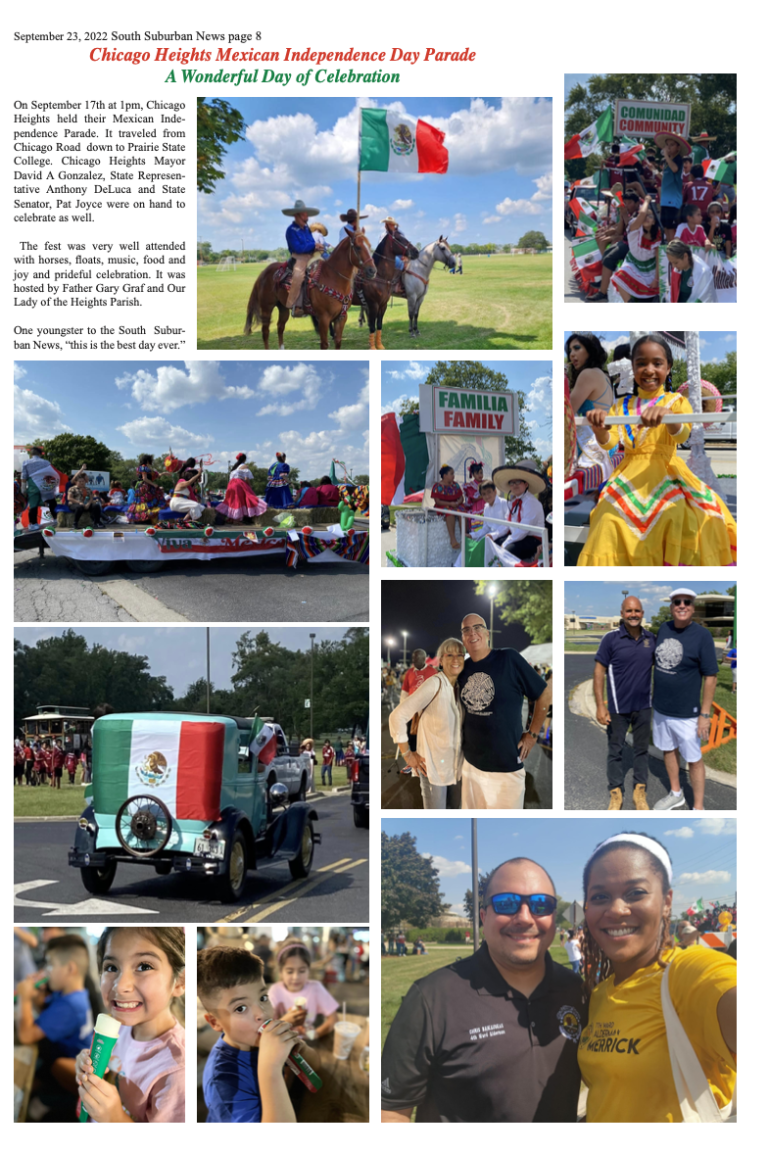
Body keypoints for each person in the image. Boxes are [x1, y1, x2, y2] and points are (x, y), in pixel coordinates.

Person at [381, 857, 586, 1123]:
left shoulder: (577, 992)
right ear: (483, 915)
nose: (524, 918)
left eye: (540, 905)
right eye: (506, 903)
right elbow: (391, 1112)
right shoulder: (431, 998)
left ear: (553, 915)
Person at [578, 832, 736, 1123]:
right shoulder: (599, 993)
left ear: (666, 901)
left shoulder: (688, 973)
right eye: (600, 896)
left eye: (635, 893)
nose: (616, 909)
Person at [578, 334, 736, 565]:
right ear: (633, 367)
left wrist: (668, 416)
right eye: (641, 363)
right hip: (628, 475)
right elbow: (610, 443)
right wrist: (599, 427)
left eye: (657, 363)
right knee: (607, 518)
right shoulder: (621, 405)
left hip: (668, 472)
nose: (649, 369)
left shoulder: (675, 401)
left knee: (678, 515)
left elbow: (682, 434)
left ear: (668, 367)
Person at [75, 927, 185, 1123]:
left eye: (143, 966)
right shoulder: (118, 1028)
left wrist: (115, 1119)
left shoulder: (177, 1071)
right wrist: (87, 1069)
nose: (120, 985)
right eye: (111, 967)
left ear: (179, 983)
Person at [199, 946, 305, 1123]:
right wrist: (270, 1068)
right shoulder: (223, 1081)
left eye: (263, 998)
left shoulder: (257, 1041)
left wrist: (300, 1053)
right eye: (240, 1008)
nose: (261, 1013)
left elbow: (315, 1072)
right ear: (215, 1022)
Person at [457, 613, 551, 809]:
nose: (472, 633)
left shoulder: (508, 658)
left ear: (487, 633)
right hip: (471, 766)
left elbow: (543, 694)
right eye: (466, 630)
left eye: (477, 627)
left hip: (505, 769)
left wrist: (533, 733)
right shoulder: (462, 669)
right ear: (463, 638)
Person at [652, 589, 719, 812]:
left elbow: (711, 677)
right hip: (661, 709)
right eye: (677, 602)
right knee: (668, 750)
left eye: (687, 602)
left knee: (694, 759)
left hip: (688, 713)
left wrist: (705, 715)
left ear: (692, 607)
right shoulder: (664, 628)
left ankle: (698, 806)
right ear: (671, 607)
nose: (682, 605)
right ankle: (676, 793)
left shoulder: (702, 636)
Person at [593, 596, 655, 811]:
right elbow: (599, 671)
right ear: (622, 613)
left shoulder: (651, 639)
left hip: (644, 707)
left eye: (637, 611)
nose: (633, 614)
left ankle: (640, 792)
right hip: (618, 709)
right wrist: (600, 705)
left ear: (642, 613)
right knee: (615, 751)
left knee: (641, 751)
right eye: (629, 611)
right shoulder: (611, 639)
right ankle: (616, 792)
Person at [389, 638, 465, 810]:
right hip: (433, 768)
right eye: (450, 655)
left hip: (456, 769)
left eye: (460, 655)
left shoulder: (461, 687)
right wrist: (407, 754)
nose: (455, 659)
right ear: (441, 659)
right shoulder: (434, 683)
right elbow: (397, 716)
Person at [268, 939, 339, 1040]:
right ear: (280, 971)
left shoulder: (315, 988)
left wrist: (315, 1034)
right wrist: (285, 1022)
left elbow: (334, 1019)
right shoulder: (275, 991)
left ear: (309, 970)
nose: (296, 977)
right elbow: (265, 1029)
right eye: (290, 971)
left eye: (302, 971)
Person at [565, 333, 614, 476]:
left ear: (590, 350)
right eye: (569, 351)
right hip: (606, 442)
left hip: (593, 444)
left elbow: (567, 413)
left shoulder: (587, 374)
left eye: (577, 348)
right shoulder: (604, 375)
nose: (571, 355)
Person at [490, 461, 547, 562]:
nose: (514, 485)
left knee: (507, 551)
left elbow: (523, 529)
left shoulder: (531, 502)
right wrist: (493, 535)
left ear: (526, 484)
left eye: (518, 482)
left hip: (532, 540)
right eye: (511, 483)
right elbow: (507, 523)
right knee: (493, 543)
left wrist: (506, 542)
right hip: (519, 537)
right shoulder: (512, 502)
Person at [610, 194, 661, 300]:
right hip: (633, 263)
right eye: (645, 216)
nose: (646, 218)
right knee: (619, 277)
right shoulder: (634, 227)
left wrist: (656, 279)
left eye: (650, 216)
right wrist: (647, 200)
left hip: (650, 268)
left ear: (654, 221)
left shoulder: (657, 235)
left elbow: (658, 258)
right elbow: (642, 214)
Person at [283, 199, 324, 316]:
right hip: (299, 257)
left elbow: (310, 242)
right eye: (304, 215)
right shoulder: (291, 230)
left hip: (311, 255)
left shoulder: (306, 229)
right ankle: (295, 306)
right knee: (298, 275)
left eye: (306, 215)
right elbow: (298, 248)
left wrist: (317, 247)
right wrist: (314, 245)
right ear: (297, 215)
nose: (306, 217)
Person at [399, 649, 437, 751]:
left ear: (424, 659)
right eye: (413, 658)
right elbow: (405, 692)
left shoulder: (433, 672)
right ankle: (414, 763)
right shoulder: (409, 672)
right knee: (412, 741)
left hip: (427, 714)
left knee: (427, 743)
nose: (414, 660)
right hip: (412, 715)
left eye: (417, 658)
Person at [656, 132, 690, 242]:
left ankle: (672, 250)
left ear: (678, 147)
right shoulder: (667, 162)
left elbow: (675, 169)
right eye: (667, 145)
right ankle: (667, 248)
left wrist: (666, 155)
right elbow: (665, 179)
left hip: (673, 200)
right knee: (665, 226)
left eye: (672, 145)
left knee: (671, 227)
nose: (668, 147)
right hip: (665, 199)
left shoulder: (678, 159)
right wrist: (652, 169)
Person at [216, 453, 266, 522]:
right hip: (238, 483)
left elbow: (231, 478)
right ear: (244, 459)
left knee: (233, 501)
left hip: (231, 485)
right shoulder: (245, 466)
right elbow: (246, 478)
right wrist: (249, 486)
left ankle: (233, 519)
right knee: (244, 499)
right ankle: (237, 520)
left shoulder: (234, 468)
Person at [20, 446, 60, 527]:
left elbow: (23, 478)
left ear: (31, 454)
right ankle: (56, 520)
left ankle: (33, 524)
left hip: (33, 486)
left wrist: (23, 490)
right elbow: (52, 473)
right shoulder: (46, 462)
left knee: (33, 505)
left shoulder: (26, 462)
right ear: (40, 454)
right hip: (46, 485)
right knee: (51, 502)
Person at [430, 464, 467, 550]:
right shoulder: (437, 486)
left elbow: (461, 497)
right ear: (445, 475)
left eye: (453, 474)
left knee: (463, 512)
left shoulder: (455, 485)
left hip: (456, 504)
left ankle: (464, 536)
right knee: (450, 512)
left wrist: (458, 502)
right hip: (443, 506)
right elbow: (438, 501)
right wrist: (450, 504)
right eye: (451, 474)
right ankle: (453, 539)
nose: (453, 476)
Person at [126, 455, 168, 524]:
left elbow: (153, 476)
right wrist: (154, 485)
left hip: (147, 487)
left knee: (147, 503)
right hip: (144, 488)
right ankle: (143, 519)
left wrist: (163, 473)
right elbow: (144, 478)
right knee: (145, 503)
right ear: (148, 460)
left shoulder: (146, 468)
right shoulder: (143, 467)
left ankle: (147, 518)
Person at [169, 458, 207, 524]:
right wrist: (198, 474)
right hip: (176, 503)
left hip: (181, 502)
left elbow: (192, 497)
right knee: (195, 506)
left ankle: (185, 521)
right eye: (194, 481)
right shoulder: (181, 482)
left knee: (200, 507)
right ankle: (189, 522)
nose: (195, 482)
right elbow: (189, 482)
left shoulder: (188, 486)